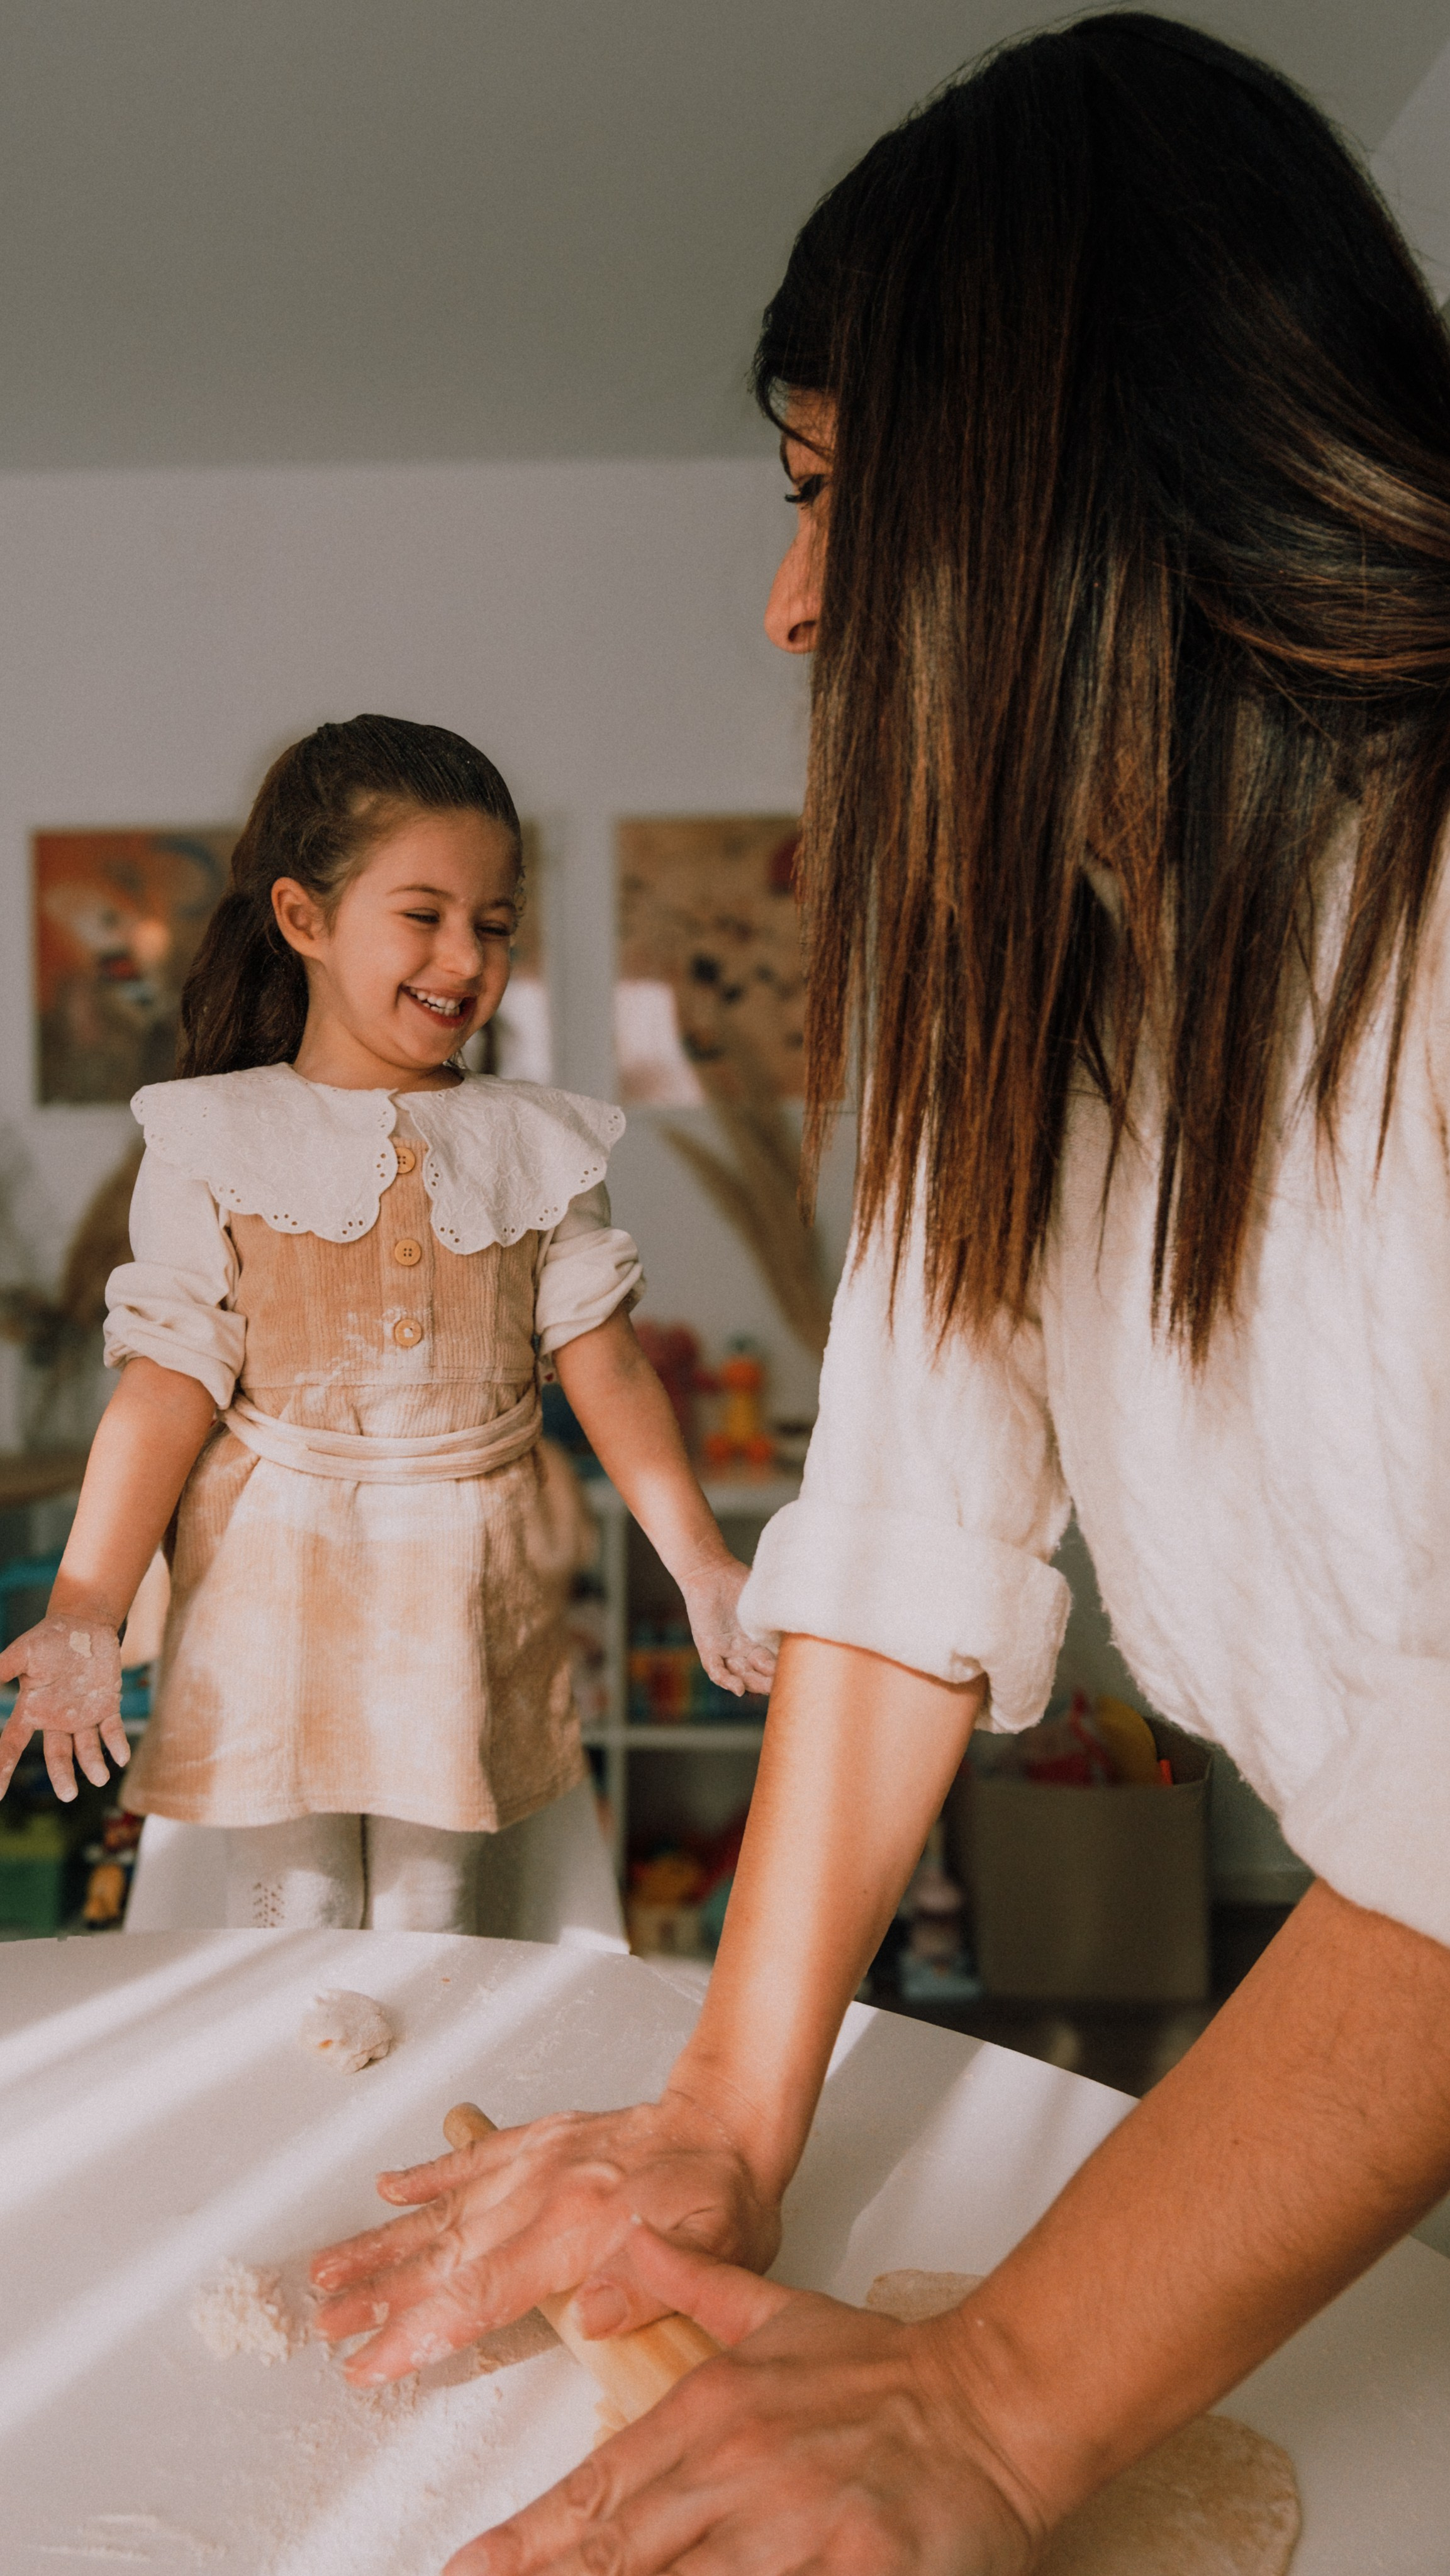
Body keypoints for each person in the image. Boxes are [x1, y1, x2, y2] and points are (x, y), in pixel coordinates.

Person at [312, 17, 1450, 2566]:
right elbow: (915, 1536)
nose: (793, 600)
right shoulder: (1054, 988)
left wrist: (992, 2408)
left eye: (833, 493)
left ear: (1072, 475)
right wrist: (729, 2109)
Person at [0, 714, 774, 1931]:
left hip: (468, 1572)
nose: (463, 955)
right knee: (285, 1902)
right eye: (422, 914)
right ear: (304, 919)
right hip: (270, 1569)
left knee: (439, 1904)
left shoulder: (542, 1143)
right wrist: (87, 1602)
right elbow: (165, 1383)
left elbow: (607, 1361)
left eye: (495, 921)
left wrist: (700, 1560)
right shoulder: (214, 1134)